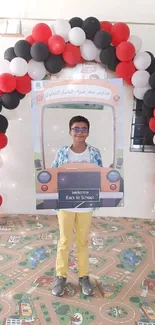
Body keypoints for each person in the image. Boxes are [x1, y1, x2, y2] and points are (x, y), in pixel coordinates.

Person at [51, 115, 103, 297]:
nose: (79, 132)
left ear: (88, 132)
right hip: (65, 204)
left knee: (82, 242)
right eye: (76, 128)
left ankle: (83, 277)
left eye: (83, 129)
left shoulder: (94, 153)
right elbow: (53, 174)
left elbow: (100, 176)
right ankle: (60, 276)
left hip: (86, 205)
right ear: (70, 131)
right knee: (64, 241)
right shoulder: (62, 152)